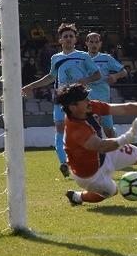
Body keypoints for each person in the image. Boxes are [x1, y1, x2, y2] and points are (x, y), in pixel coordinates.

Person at [22, 23, 102, 178]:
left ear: (75, 39)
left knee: (90, 129)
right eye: (65, 36)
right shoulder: (56, 58)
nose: (68, 39)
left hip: (80, 99)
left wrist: (84, 80)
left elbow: (97, 75)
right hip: (62, 99)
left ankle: (96, 161)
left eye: (71, 36)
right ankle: (64, 163)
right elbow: (51, 77)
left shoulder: (83, 56)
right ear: (60, 40)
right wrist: (31, 86)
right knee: (59, 128)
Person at [85, 32, 128, 138]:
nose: (94, 44)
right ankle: (96, 153)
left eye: (96, 42)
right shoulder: (82, 58)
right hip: (87, 99)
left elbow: (124, 72)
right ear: (86, 43)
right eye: (91, 42)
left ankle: (114, 140)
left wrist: (115, 76)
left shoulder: (106, 58)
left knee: (109, 132)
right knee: (91, 129)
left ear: (100, 44)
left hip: (103, 98)